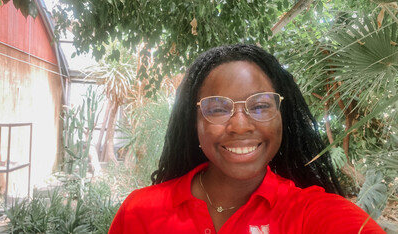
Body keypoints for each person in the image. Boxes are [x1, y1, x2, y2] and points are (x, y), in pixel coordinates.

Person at [109, 44, 385, 233]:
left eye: (260, 105)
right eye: (217, 108)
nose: (240, 126)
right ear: (193, 122)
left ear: (281, 115)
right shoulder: (140, 211)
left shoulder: (310, 213)